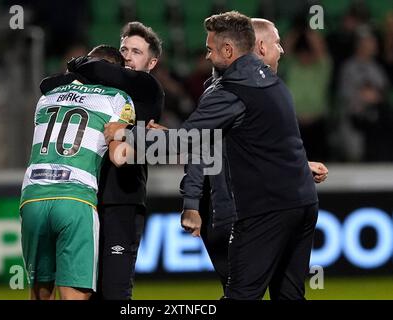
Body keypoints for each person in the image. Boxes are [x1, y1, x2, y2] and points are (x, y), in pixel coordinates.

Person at [105, 11, 319, 300]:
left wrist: (124, 134)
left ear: (228, 50)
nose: (206, 56)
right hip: (303, 203)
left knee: (240, 295)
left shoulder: (229, 90)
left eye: (210, 49)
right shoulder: (273, 83)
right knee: (290, 296)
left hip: (264, 210)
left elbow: (190, 141)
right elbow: (256, 143)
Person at [20, 45, 135, 300]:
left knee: (40, 294)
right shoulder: (117, 97)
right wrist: (145, 139)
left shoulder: (47, 96)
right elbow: (119, 157)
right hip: (76, 197)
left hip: (33, 197)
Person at [60, 22, 164, 300]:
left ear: (152, 62)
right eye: (124, 49)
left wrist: (79, 62)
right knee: (84, 289)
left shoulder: (147, 89)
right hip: (85, 200)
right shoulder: (100, 91)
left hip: (121, 199)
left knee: (115, 290)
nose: (128, 56)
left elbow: (95, 68)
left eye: (137, 52)